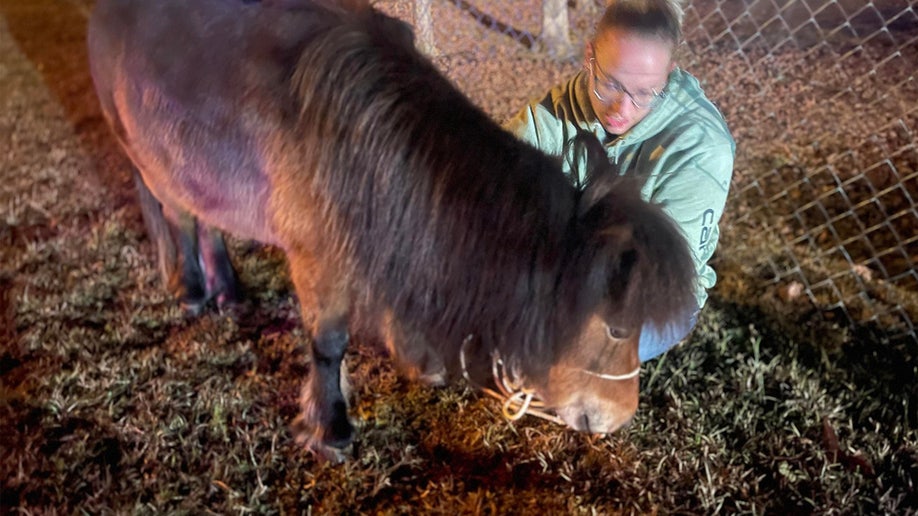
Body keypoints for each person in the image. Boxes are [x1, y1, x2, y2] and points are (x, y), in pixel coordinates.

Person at [505, 0, 735, 362]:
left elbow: (664, 275)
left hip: (649, 289)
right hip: (563, 271)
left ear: (669, 75)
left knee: (575, 352)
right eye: (609, 85)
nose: (621, 110)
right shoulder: (549, 118)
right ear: (589, 57)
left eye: (644, 93)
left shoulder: (702, 146)